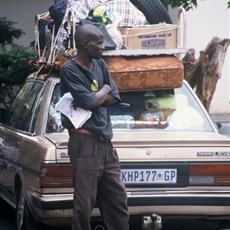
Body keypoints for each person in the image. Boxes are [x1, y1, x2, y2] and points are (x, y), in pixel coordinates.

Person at [59, 23, 129, 230]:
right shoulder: (69, 70)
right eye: (99, 43)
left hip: (106, 143)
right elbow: (90, 102)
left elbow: (114, 97)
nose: (103, 47)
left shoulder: (100, 65)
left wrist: (97, 97)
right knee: (84, 204)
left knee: (117, 199)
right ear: (84, 44)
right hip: (84, 143)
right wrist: (102, 90)